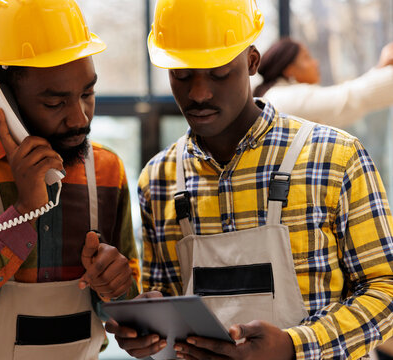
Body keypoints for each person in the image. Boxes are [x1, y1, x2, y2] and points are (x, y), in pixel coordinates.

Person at [106, 0, 393, 359]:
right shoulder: (159, 180)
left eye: (219, 72)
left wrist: (293, 347)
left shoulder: (335, 157)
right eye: (181, 74)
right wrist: (148, 331)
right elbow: (166, 301)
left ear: (252, 62)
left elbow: (385, 291)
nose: (198, 93)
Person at [0, 0, 140, 359]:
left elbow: (127, 312)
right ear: (4, 95)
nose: (80, 118)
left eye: (87, 93)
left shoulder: (109, 171)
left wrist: (118, 289)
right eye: (55, 103)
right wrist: (23, 212)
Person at [253, 37, 393, 128]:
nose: (316, 63)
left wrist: (380, 69)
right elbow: (347, 99)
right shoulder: (283, 97)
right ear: (290, 71)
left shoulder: (277, 97)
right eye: (306, 58)